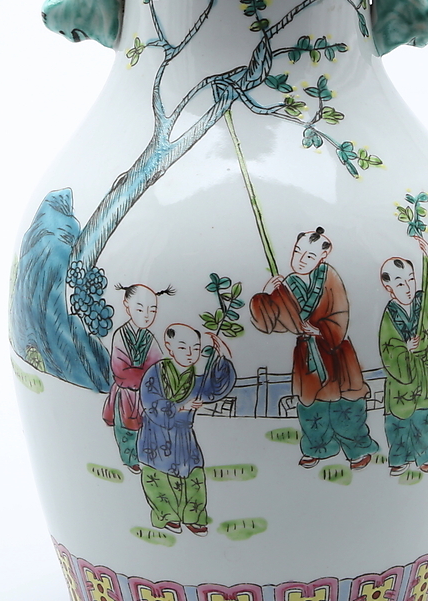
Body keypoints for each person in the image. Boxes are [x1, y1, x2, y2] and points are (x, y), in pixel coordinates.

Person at [250, 228, 379, 470]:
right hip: (307, 355)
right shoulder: (288, 285)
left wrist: (320, 331)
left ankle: (357, 450)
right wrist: (266, 294)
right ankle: (318, 448)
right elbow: (270, 322)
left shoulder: (330, 278)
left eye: (309, 256)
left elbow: (340, 313)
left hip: (335, 352)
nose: (300, 260)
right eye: (297, 252)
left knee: (346, 406)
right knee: (312, 409)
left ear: (322, 257)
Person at [137, 325, 236, 535]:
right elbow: (150, 402)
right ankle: (168, 516)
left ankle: (194, 518)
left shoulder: (195, 379)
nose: (190, 354)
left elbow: (214, 388)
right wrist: (180, 407)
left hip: (184, 437)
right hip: (157, 435)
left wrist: (222, 358)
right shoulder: (156, 373)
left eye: (196, 348)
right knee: (159, 477)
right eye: (183, 348)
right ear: (169, 347)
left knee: (193, 475)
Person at [378, 235, 428, 475]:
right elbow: (388, 349)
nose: (407, 288)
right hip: (401, 381)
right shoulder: (390, 316)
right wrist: (405, 350)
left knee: (422, 419)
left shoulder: (421, 303)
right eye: (399, 284)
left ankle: (425, 455)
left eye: (411, 279)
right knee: (398, 424)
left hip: (422, 376)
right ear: (389, 288)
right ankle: (399, 458)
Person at [101, 283, 173, 473]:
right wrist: (145, 376)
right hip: (126, 394)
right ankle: (130, 460)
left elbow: (157, 365)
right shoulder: (120, 336)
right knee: (126, 430)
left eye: (152, 310)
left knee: (147, 428)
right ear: (127, 306)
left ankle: (148, 458)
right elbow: (120, 370)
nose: (147, 316)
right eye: (140, 309)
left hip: (145, 395)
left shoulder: (149, 338)